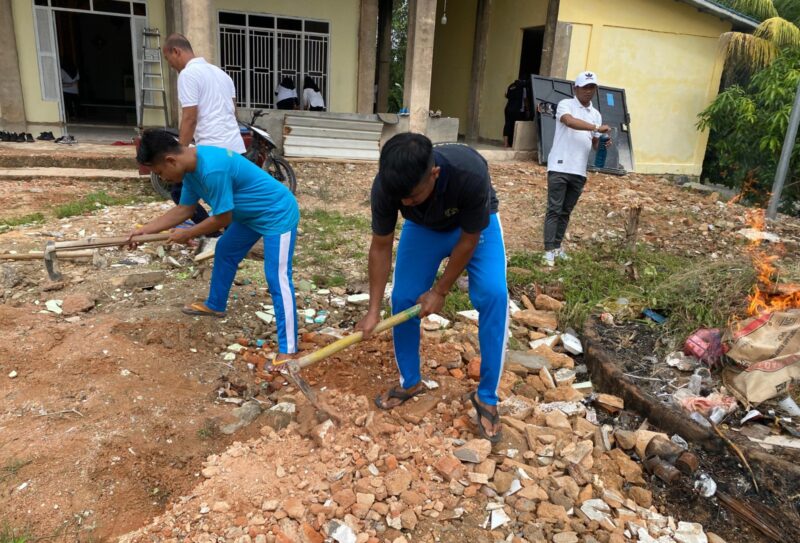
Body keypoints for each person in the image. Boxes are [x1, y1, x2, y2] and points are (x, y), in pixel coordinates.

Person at [355, 134, 509, 443]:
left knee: (494, 295)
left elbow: (469, 240)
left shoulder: (469, 172)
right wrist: (372, 310)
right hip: (424, 230)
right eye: (401, 200)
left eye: (412, 198)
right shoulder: (388, 186)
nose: (405, 204)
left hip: (475, 227)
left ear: (434, 175)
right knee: (402, 297)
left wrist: (440, 290)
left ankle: (487, 397)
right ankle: (410, 381)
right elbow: (381, 246)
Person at [130, 129, 300, 361]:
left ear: (171, 160)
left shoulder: (212, 169)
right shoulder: (189, 170)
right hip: (248, 217)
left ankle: (288, 349)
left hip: (276, 214)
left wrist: (187, 233)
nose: (164, 179)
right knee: (225, 251)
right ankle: (215, 304)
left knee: (276, 277)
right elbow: (185, 209)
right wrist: (146, 229)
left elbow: (222, 219)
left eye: (160, 172)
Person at [162, 33, 245, 232]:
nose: (170, 65)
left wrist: (179, 153)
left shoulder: (188, 75)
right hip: (235, 147)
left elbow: (190, 117)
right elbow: (233, 111)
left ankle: (212, 232)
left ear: (176, 51)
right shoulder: (222, 74)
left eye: (168, 59)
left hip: (213, 150)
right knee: (232, 199)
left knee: (179, 192)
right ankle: (230, 237)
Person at [543, 70, 612, 267]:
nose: (589, 91)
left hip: (579, 170)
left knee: (566, 211)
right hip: (560, 165)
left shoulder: (595, 114)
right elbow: (569, 122)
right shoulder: (566, 105)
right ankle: (548, 251)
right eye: (585, 87)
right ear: (576, 88)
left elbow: (595, 143)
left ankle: (557, 247)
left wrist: (603, 142)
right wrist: (596, 128)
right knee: (554, 209)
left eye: (592, 88)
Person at [503, 79, 529, 148]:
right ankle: (514, 144)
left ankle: (505, 143)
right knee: (515, 126)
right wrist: (527, 110)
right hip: (517, 110)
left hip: (508, 108)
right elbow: (525, 99)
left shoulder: (511, 86)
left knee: (507, 124)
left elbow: (506, 95)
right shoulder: (523, 88)